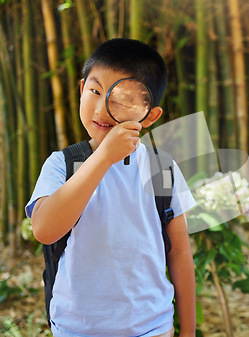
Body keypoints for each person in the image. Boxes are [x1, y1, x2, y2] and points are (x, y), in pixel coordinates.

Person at [26, 38, 196, 337]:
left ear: (150, 115)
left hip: (152, 328)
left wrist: (188, 331)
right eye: (95, 91)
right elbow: (44, 229)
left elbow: (180, 253)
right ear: (81, 90)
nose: (104, 107)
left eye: (124, 99)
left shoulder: (163, 169)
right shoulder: (61, 165)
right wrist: (104, 157)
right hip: (76, 329)